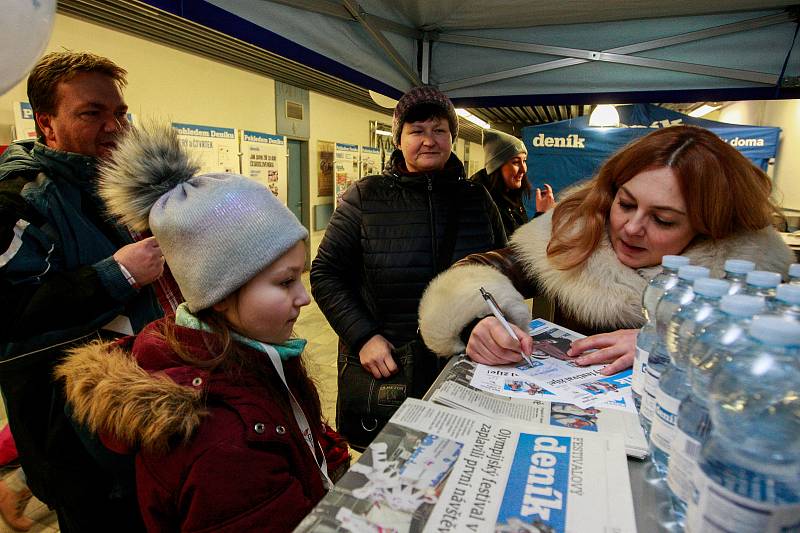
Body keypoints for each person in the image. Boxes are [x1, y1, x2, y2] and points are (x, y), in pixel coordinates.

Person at [55, 123, 350, 532]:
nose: (304, 298)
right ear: (221, 294)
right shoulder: (225, 444)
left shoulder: (251, 355)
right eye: (284, 282)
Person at [418, 125, 793, 374]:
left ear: (709, 229)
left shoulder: (752, 277)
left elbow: (771, 372)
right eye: (626, 204)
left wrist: (667, 346)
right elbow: (484, 271)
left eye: (663, 220)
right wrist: (476, 324)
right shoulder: (574, 232)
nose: (631, 228)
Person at [0, 51, 169, 531]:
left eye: (119, 112)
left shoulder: (118, 186)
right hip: (74, 442)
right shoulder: (20, 200)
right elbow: (9, 315)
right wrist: (116, 275)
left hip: (139, 419)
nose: (114, 126)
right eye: (91, 113)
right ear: (46, 124)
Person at [311, 86, 507, 449]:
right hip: (391, 367)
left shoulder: (476, 199)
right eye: (417, 131)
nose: (429, 141)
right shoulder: (365, 198)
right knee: (390, 470)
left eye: (439, 130)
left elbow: (499, 271)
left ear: (452, 136)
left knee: (457, 459)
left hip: (464, 364)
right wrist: (363, 336)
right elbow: (325, 273)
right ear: (398, 140)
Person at [470, 128, 555, 236]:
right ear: (496, 166)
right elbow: (511, 250)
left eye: (524, 161)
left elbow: (519, 236)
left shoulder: (510, 194)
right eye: (515, 162)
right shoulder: (482, 203)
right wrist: (542, 215)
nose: (524, 169)